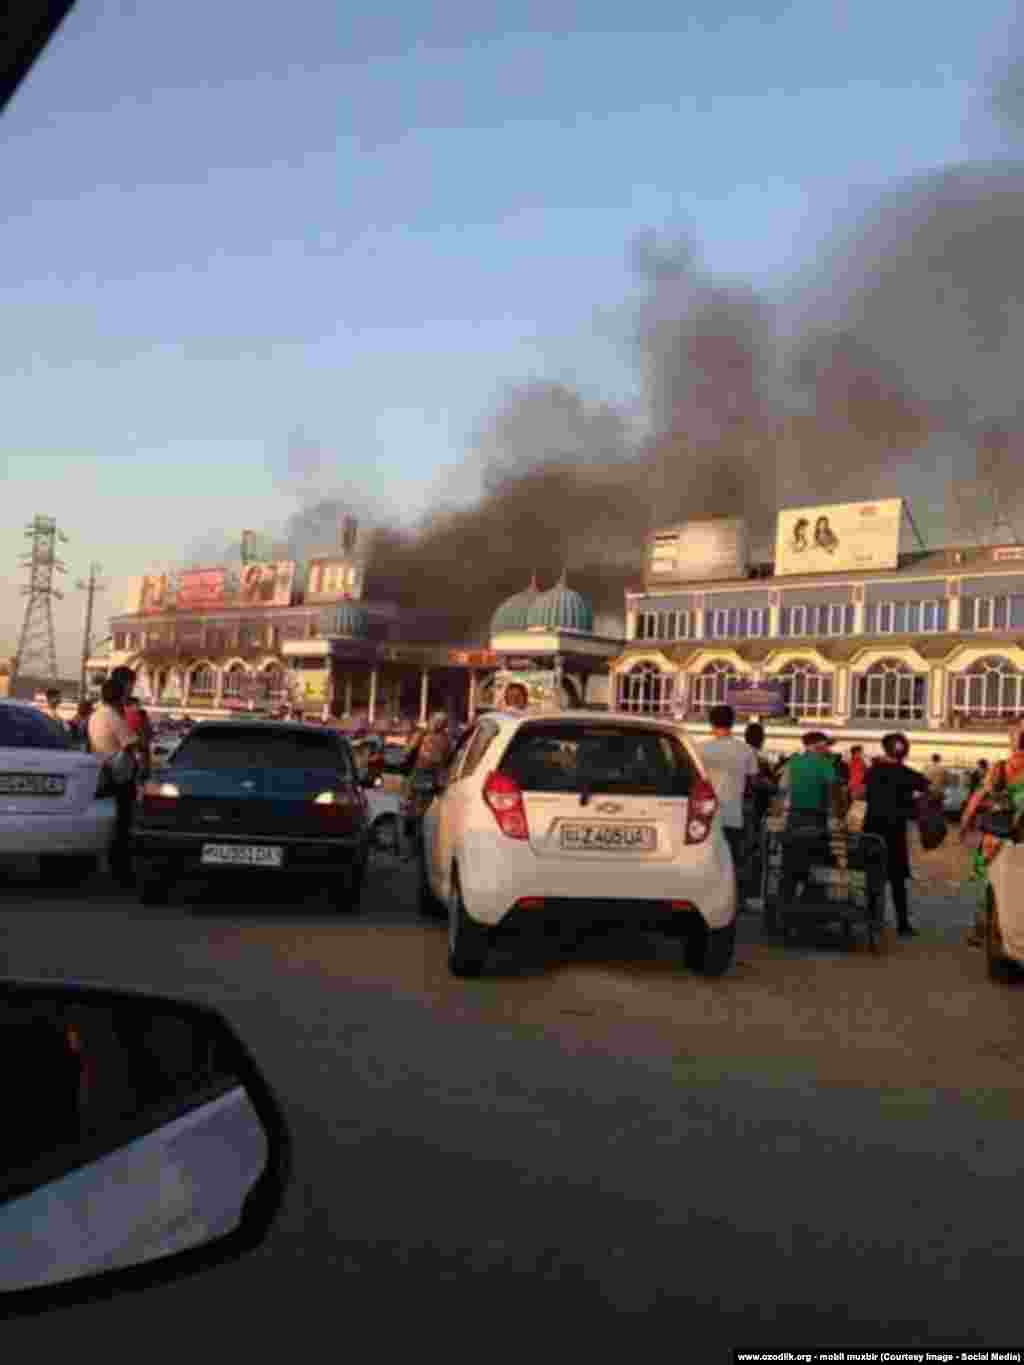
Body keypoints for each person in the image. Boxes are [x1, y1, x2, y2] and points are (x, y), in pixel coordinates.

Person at [960, 722, 1024, 948]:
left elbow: (977, 798)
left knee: (988, 884)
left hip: (996, 837)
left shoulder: (1001, 768)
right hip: (1020, 838)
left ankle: (982, 930)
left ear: (1014, 741)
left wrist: (964, 825)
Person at [863, 732, 930, 937]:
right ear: (904, 752)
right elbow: (927, 786)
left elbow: (859, 793)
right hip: (895, 833)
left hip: (872, 830)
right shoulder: (906, 773)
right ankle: (902, 925)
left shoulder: (873, 771)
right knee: (897, 880)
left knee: (873, 877)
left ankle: (872, 920)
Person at [774, 731, 844, 915]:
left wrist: (777, 818)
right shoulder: (825, 764)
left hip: (793, 821)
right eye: (826, 745)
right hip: (815, 822)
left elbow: (781, 791)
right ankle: (811, 910)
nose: (828, 749)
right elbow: (834, 792)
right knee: (816, 868)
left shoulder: (793, 762)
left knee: (789, 867)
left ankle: (784, 910)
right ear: (817, 746)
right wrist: (838, 817)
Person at [88, 676, 142, 887]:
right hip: (118, 778)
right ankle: (121, 872)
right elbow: (132, 743)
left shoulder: (96, 714)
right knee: (122, 826)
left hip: (101, 774)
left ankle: (113, 867)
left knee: (113, 823)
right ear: (120, 696)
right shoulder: (112, 716)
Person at [701, 705, 759, 902]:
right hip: (734, 816)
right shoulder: (746, 750)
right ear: (733, 723)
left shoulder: (700, 750)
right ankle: (729, 900)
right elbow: (752, 785)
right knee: (731, 862)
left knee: (707, 860)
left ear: (711, 723)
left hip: (706, 816)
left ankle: (707, 897)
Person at [400, 712, 451, 860]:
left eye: (439, 722)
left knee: (416, 815)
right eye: (436, 721)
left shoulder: (438, 739)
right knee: (415, 814)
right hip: (424, 780)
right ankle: (413, 849)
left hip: (427, 780)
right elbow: (407, 753)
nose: (436, 724)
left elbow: (406, 753)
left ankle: (413, 849)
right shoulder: (442, 740)